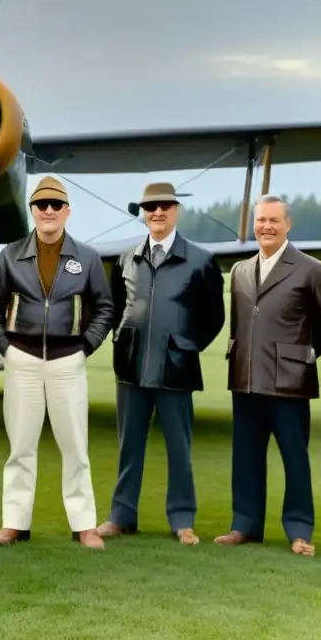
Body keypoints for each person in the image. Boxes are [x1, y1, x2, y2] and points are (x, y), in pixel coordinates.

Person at [0, 176, 114, 550]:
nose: (49, 211)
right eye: (42, 205)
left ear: (67, 211)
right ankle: (15, 523)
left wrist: (85, 346)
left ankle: (84, 524)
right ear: (33, 211)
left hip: (67, 360)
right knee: (20, 446)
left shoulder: (86, 257)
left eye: (56, 204)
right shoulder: (11, 255)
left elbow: (105, 308)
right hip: (22, 360)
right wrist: (7, 349)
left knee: (75, 446)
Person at [214, 195, 321, 556]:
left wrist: (301, 354)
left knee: (295, 458)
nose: (266, 227)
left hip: (290, 383)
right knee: (246, 457)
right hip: (245, 379)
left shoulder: (310, 269)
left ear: (288, 224)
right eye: (260, 220)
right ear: (252, 224)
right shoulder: (240, 270)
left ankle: (300, 530)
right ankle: (244, 525)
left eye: (273, 220)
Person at [97, 182, 225, 545]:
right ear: (143, 212)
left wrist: (186, 345)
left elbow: (213, 316)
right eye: (150, 207)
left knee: (180, 450)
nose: (157, 212)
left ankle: (182, 520)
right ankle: (121, 516)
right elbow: (118, 307)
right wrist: (122, 339)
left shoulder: (200, 260)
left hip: (176, 369)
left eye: (164, 206)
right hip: (131, 369)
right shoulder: (126, 259)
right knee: (128, 446)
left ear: (176, 210)